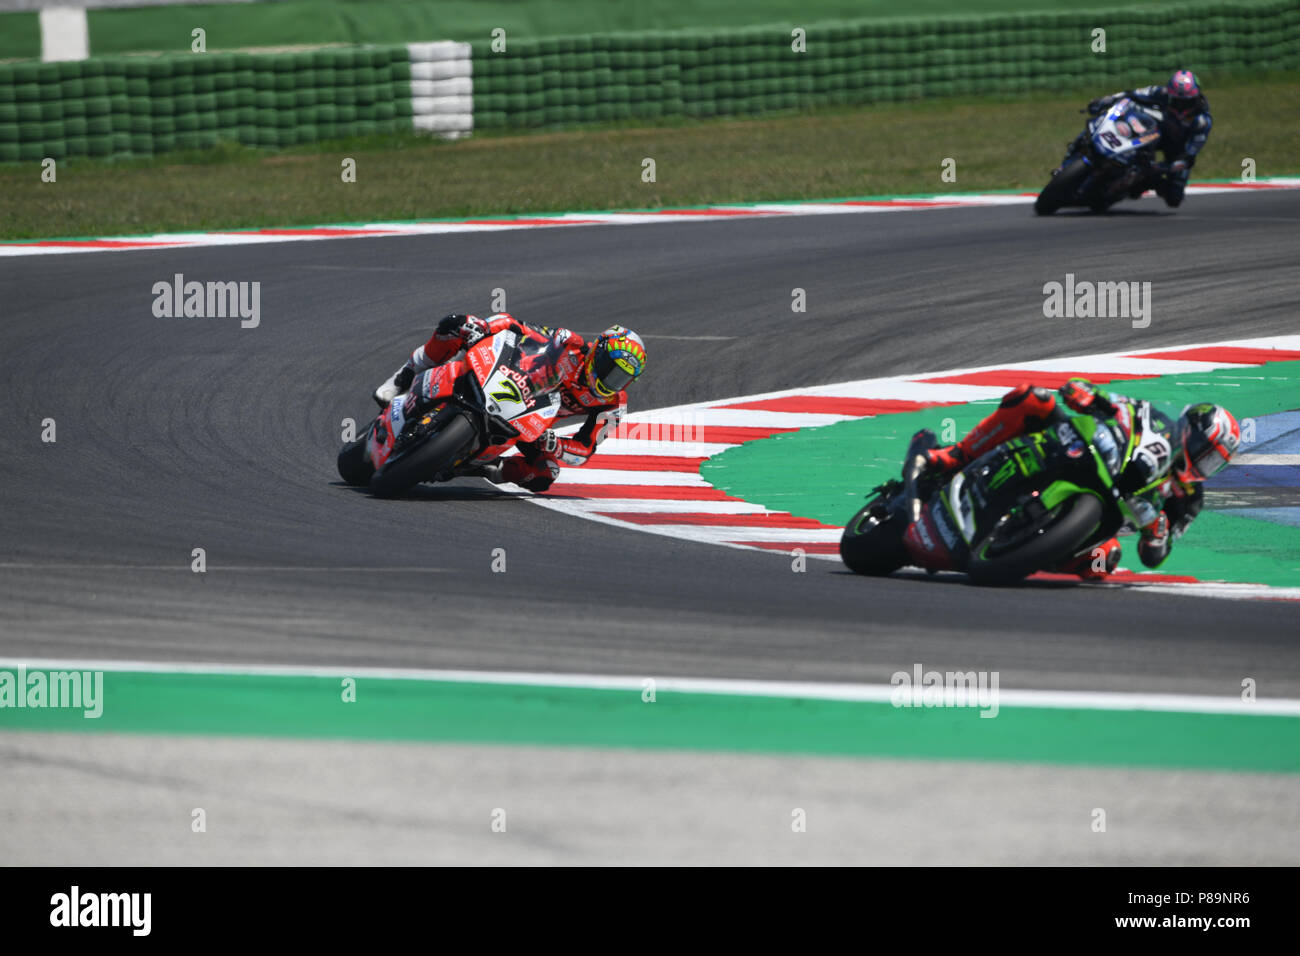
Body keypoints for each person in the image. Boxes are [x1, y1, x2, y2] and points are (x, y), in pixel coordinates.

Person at [924, 378, 1239, 575]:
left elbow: (1154, 557)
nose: (1202, 463)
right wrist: (1087, 393)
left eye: (1212, 462)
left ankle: (1031, 554)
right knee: (1033, 398)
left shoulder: (1189, 500)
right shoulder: (1154, 419)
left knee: (1106, 560)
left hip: (1105, 523)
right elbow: (1114, 403)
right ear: (1191, 430)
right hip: (1090, 458)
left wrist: (1157, 533)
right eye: (1204, 451)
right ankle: (958, 454)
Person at [372, 313, 646, 492]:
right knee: (456, 324)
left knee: (545, 474)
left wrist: (556, 444)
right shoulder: (569, 344)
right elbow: (516, 325)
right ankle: (403, 377)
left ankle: (486, 469)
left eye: (621, 377)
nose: (612, 381)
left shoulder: (613, 405)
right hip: (510, 382)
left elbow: (584, 450)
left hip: (533, 425)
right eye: (610, 369)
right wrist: (485, 328)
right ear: (597, 352)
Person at [1061, 69, 1212, 207]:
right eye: (1176, 101)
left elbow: (1189, 155)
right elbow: (1130, 94)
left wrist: (1163, 168)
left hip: (1177, 149)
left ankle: (1132, 187)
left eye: (1186, 102)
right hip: (1153, 132)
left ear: (1195, 98)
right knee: (1101, 121)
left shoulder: (1201, 122)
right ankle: (1074, 153)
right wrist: (1105, 101)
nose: (1180, 107)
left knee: (1174, 197)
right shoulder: (1160, 92)